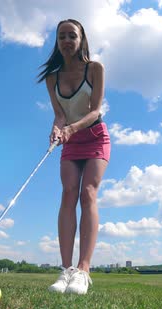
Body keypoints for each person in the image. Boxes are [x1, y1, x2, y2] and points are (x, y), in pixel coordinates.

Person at [37, 19, 110, 295]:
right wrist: (57, 130)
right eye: (62, 36)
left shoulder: (95, 68)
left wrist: (71, 128)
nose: (67, 40)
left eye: (72, 36)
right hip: (69, 140)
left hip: (94, 137)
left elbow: (95, 110)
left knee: (88, 193)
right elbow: (59, 113)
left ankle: (83, 270)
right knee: (68, 193)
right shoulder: (51, 78)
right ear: (57, 42)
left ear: (81, 40)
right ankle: (66, 270)